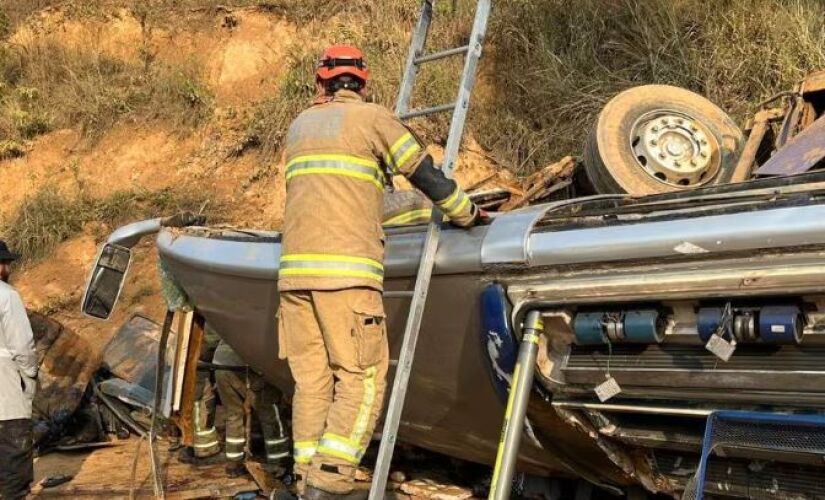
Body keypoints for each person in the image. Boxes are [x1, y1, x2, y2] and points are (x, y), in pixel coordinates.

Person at [277, 45, 484, 499]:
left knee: (312, 382)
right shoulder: (372, 118)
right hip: (347, 276)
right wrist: (466, 213)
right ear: (362, 81)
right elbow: (423, 174)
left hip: (293, 279)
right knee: (362, 377)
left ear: (322, 81)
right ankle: (330, 484)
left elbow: (333, 193)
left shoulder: (299, 127)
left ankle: (305, 478)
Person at [213, 340, 290, 477]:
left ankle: (234, 464)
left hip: (221, 365)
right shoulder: (268, 318)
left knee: (233, 414)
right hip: (249, 366)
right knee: (270, 412)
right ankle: (278, 463)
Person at [0, 241, 37, 499]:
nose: (8, 267)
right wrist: (30, 376)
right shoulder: (6, 295)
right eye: (6, 263)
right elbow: (23, 347)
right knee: (13, 475)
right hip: (6, 396)